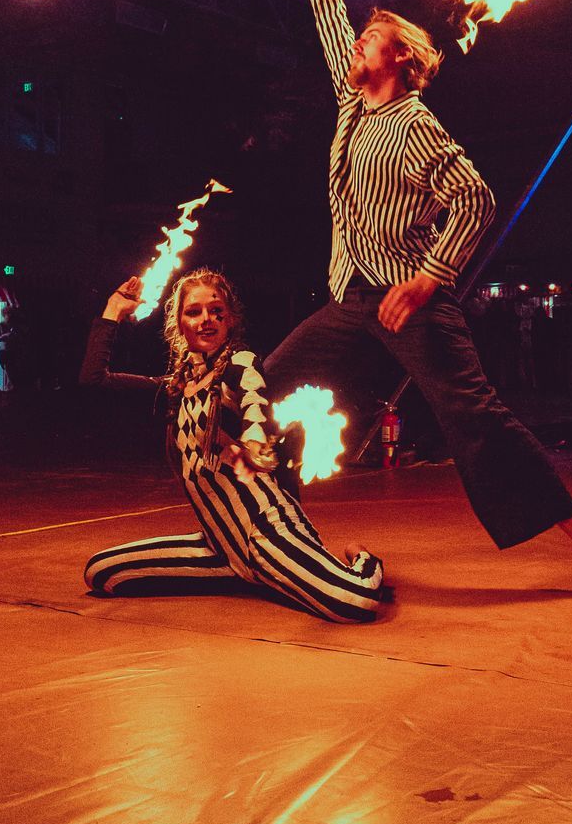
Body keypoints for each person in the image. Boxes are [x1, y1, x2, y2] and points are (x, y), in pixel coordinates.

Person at [262, 0, 572, 608]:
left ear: (400, 58)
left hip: (412, 305)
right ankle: (276, 537)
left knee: (478, 423)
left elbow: (476, 198)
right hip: (351, 300)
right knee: (264, 385)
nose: (355, 45)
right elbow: (327, 16)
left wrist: (429, 278)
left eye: (370, 41)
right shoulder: (352, 102)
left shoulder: (415, 126)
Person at [80, 263, 387, 624]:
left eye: (216, 311)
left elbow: (253, 398)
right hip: (219, 546)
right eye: (194, 312)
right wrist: (113, 310)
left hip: (267, 532)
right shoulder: (173, 391)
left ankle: (363, 559)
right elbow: (93, 381)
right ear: (179, 324)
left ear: (230, 321)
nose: (206, 320)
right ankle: (259, 577)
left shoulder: (240, 364)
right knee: (102, 572)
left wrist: (253, 436)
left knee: (355, 602)